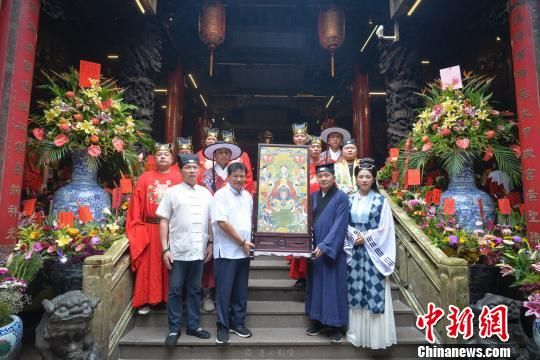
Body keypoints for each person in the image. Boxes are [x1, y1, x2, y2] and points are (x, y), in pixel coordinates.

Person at [156, 153, 213, 346]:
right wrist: (165, 250)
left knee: (195, 290)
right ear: (181, 171)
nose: (191, 170)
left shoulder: (206, 193)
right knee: (175, 290)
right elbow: (163, 221)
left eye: (194, 168)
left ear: (199, 170)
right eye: (187, 168)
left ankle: (193, 325)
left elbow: (211, 223)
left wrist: (211, 244)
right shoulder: (172, 192)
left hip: (198, 249)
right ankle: (173, 329)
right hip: (178, 250)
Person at [127, 143, 182, 316]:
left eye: (166, 154)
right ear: (154, 158)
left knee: (172, 266)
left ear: (172, 158)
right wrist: (137, 227)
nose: (163, 157)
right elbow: (136, 205)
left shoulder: (180, 177)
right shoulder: (144, 178)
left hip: (172, 228)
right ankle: (146, 300)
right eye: (159, 154)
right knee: (148, 266)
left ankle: (169, 300)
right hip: (150, 228)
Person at [346, 158, 397, 349]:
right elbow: (345, 223)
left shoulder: (381, 201)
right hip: (354, 251)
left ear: (374, 178)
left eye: (368, 176)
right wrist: (353, 235)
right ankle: (356, 334)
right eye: (361, 176)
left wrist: (366, 237)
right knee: (355, 289)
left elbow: (386, 228)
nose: (364, 180)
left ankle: (376, 338)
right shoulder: (349, 199)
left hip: (373, 253)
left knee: (373, 290)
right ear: (356, 179)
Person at [211, 162, 255, 345]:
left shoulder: (248, 196)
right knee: (224, 291)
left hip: (243, 252)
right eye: (235, 176)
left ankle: (238, 323)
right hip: (227, 251)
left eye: (242, 176)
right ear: (228, 177)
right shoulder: (220, 195)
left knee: (240, 290)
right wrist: (242, 242)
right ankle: (222, 325)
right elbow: (222, 223)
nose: (239, 179)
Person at [305, 163, 349, 343]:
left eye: (327, 176)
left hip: (332, 250)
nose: (323, 179)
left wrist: (325, 246)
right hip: (314, 248)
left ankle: (336, 325)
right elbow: (304, 221)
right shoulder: (312, 197)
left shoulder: (341, 198)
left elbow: (340, 224)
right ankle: (316, 321)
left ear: (333, 178)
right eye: (320, 176)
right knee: (316, 286)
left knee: (333, 287)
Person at [199, 141, 243, 313]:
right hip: (211, 219)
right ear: (214, 156)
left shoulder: (235, 173)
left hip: (232, 222)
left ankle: (226, 294)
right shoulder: (206, 175)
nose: (224, 155)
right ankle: (207, 294)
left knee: (229, 259)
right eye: (220, 153)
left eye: (227, 153)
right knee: (209, 258)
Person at [221, 129, 255, 194]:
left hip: (241, 188)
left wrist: (239, 188)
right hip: (225, 190)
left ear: (234, 143)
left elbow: (248, 175)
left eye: (231, 143)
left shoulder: (243, 155)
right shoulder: (222, 157)